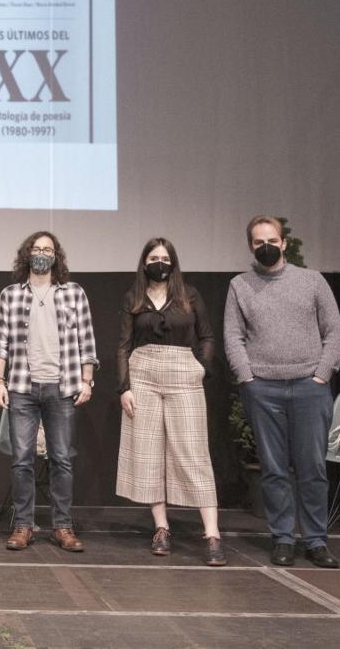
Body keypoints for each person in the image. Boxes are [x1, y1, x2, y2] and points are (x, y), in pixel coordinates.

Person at [225, 215, 340, 569]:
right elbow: (233, 335)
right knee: (274, 469)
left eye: (272, 241)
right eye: (259, 242)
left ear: (284, 243)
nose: (266, 247)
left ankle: (316, 540)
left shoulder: (312, 280)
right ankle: (282, 538)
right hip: (263, 389)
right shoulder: (240, 285)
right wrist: (247, 377)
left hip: (309, 387)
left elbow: (334, 332)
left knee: (312, 468)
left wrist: (321, 374)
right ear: (251, 246)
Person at [115, 238, 223, 566]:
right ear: (144, 262)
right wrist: (124, 387)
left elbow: (207, 336)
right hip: (143, 374)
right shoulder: (133, 297)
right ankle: (161, 528)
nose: (159, 263)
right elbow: (124, 345)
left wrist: (201, 368)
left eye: (164, 257)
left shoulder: (189, 295)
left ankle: (212, 534)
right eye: (153, 257)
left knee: (193, 452)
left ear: (173, 262)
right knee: (148, 453)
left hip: (183, 373)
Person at [0, 231, 97, 553]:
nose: (42, 254)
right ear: (27, 255)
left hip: (61, 388)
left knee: (61, 460)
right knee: (21, 460)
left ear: (56, 256)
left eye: (47, 249)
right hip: (22, 388)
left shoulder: (73, 293)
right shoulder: (10, 295)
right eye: (37, 249)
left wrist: (87, 380)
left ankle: (63, 526)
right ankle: (23, 526)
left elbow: (87, 340)